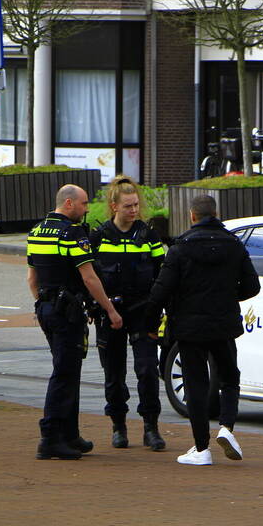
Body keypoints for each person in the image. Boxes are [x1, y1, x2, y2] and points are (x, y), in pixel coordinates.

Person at [148, 194, 259, 466]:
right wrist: (228, 296)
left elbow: (161, 291)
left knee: (195, 384)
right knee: (229, 377)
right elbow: (252, 286)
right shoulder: (234, 245)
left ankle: (201, 449)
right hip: (223, 324)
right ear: (215, 213)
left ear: (192, 216)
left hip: (189, 326)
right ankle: (227, 428)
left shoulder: (180, 248)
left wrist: (150, 322)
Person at [27, 184, 122, 460]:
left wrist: (43, 305)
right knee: (64, 373)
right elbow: (89, 277)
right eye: (83, 204)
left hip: (46, 308)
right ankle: (50, 438)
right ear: (68, 203)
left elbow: (32, 278)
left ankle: (70, 434)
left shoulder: (37, 231)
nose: (86, 208)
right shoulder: (71, 233)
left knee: (68, 369)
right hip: (66, 311)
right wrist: (110, 311)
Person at [90, 175, 167, 451]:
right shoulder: (98, 237)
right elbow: (88, 276)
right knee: (114, 372)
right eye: (127, 206)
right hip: (109, 313)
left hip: (142, 312)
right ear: (114, 206)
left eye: (136, 205)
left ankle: (151, 428)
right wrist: (96, 307)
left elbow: (163, 274)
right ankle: (118, 426)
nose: (133, 210)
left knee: (147, 370)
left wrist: (159, 310)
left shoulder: (148, 236)